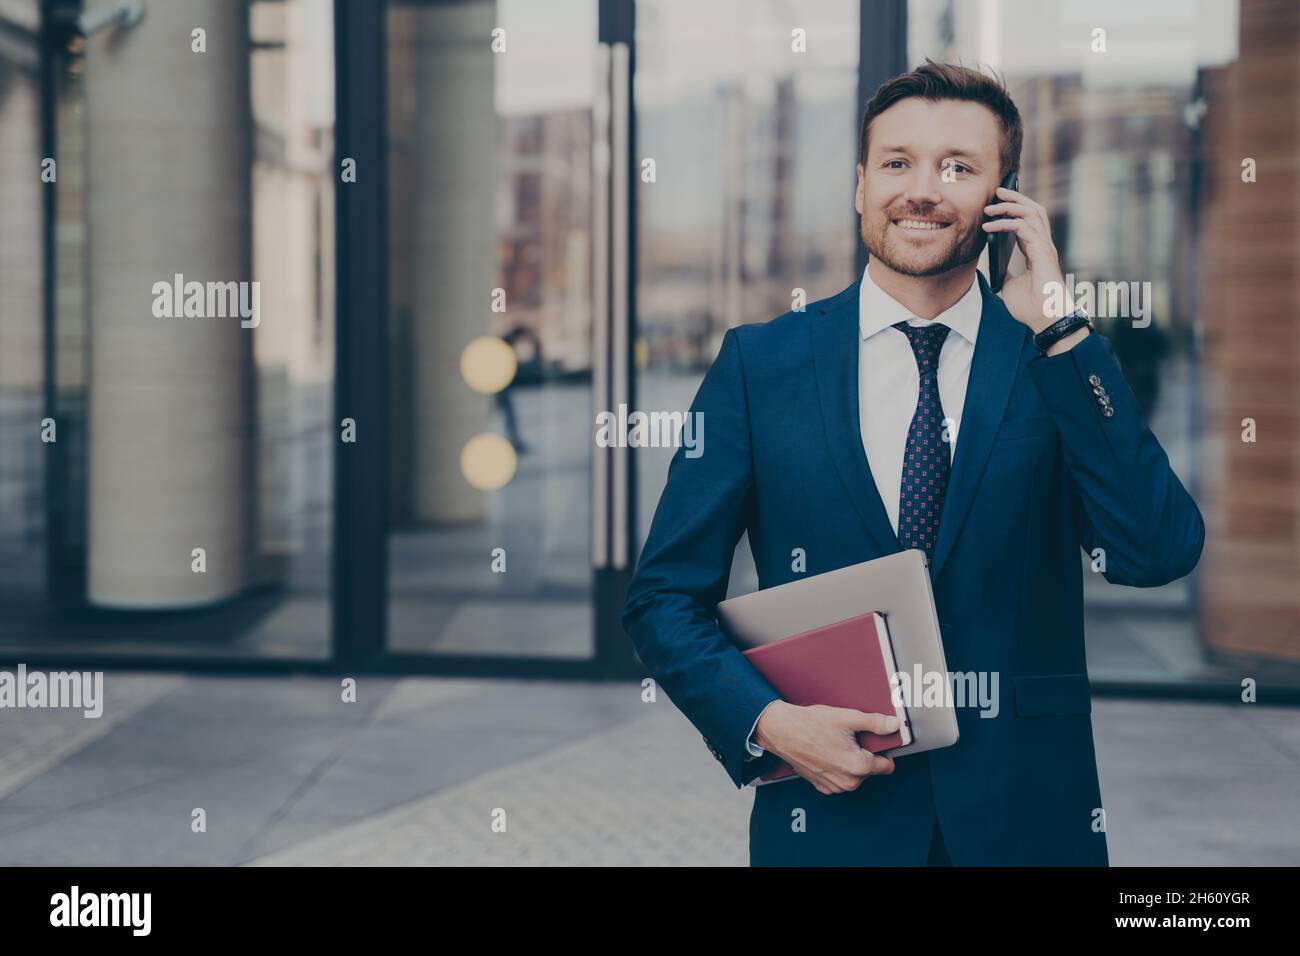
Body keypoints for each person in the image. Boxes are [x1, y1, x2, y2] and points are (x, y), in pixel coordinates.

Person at [621, 60, 1204, 866]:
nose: (922, 189)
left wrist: (1064, 330)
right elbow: (661, 599)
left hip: (1029, 821)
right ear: (861, 184)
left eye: (959, 168)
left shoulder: (1054, 365)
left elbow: (1156, 551)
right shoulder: (761, 366)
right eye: (897, 163)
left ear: (1004, 201)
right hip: (830, 820)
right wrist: (770, 723)